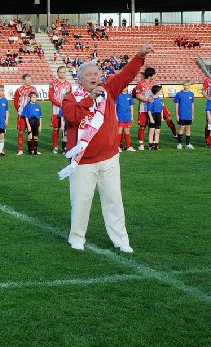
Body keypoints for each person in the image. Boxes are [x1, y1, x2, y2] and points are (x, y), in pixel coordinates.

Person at [59, 42, 152, 253]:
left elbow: (125, 76)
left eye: (96, 73)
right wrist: (89, 99)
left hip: (109, 158)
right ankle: (77, 238)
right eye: (89, 74)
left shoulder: (109, 90)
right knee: (81, 202)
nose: (94, 77)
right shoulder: (71, 98)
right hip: (83, 161)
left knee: (114, 201)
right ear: (80, 79)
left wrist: (139, 56)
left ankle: (121, 240)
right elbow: (71, 118)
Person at [12, 73, 37, 156]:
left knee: (32, 131)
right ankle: (20, 149)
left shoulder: (33, 89)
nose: (28, 81)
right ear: (23, 80)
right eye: (27, 80)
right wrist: (18, 109)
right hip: (22, 114)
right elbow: (15, 101)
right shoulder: (19, 89)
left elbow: (35, 101)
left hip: (31, 114)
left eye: (30, 79)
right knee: (21, 130)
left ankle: (32, 149)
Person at [49, 66, 72, 154]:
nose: (62, 74)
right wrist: (60, 104)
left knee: (65, 129)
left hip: (66, 109)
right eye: (60, 72)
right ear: (57, 73)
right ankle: (55, 147)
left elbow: (70, 96)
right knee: (56, 129)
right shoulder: (53, 83)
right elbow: (50, 97)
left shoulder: (68, 84)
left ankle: (64, 147)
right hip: (56, 109)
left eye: (64, 72)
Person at [132, 68, 155, 151]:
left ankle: (151, 143)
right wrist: (147, 99)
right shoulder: (140, 84)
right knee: (142, 126)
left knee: (152, 126)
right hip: (143, 108)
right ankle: (141, 144)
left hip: (152, 109)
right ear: (150, 75)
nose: (155, 76)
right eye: (154, 74)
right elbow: (138, 95)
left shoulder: (154, 84)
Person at [173, 80, 196, 150]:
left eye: (188, 85)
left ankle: (187, 144)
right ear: (183, 85)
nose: (186, 87)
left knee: (188, 128)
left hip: (188, 115)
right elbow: (176, 105)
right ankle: (179, 143)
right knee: (181, 128)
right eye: (185, 85)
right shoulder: (179, 94)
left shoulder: (191, 94)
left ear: (189, 86)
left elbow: (192, 105)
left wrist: (192, 114)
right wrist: (177, 115)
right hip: (182, 114)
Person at [147, 85, 164, 150]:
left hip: (158, 116)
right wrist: (151, 118)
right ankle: (150, 146)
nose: (162, 91)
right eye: (160, 90)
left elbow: (161, 109)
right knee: (151, 132)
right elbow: (149, 110)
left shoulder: (160, 99)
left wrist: (162, 117)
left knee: (157, 132)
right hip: (153, 115)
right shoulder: (151, 99)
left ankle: (156, 146)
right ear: (157, 91)